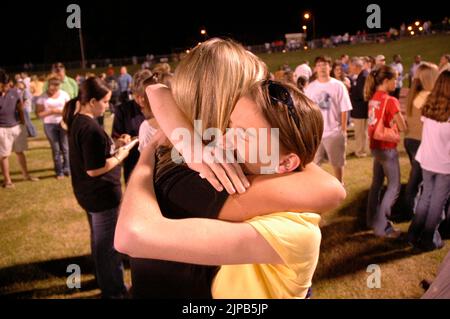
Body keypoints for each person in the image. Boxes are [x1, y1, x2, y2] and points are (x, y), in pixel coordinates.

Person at [115, 38, 345, 299]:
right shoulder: (213, 176)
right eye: (233, 125)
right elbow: (330, 189)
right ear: (226, 99)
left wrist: (159, 152)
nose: (224, 137)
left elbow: (157, 91)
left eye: (240, 131)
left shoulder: (181, 152)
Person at [63, 77, 130, 298]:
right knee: (107, 247)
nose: (107, 106)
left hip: (89, 195)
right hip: (101, 197)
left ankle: (106, 282)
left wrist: (115, 145)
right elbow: (94, 169)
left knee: (99, 243)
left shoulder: (78, 121)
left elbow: (92, 155)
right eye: (105, 101)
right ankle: (114, 291)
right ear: (92, 101)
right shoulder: (89, 127)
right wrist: (121, 155)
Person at [407, 70, 450, 251]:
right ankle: (428, 238)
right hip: (443, 164)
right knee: (437, 202)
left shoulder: (429, 105)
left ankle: (414, 233)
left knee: (426, 197)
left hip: (427, 159)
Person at [364, 65, 407, 238]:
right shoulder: (391, 100)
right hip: (387, 147)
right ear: (386, 81)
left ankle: (371, 219)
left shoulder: (373, 97)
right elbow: (403, 126)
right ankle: (383, 227)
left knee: (376, 184)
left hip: (375, 146)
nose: (396, 82)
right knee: (394, 186)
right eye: (395, 79)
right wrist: (397, 125)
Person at [305, 56, 353, 184]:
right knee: (314, 164)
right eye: (319, 65)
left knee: (337, 163)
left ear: (330, 67)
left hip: (334, 132)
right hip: (317, 133)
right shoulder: (310, 88)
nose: (322, 68)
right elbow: (307, 111)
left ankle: (340, 184)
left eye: (325, 65)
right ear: (315, 69)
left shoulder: (338, 86)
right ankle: (317, 187)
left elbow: (344, 108)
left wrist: (343, 129)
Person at [403, 62, 439, 216]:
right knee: (421, 180)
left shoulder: (414, 94)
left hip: (410, 140)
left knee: (417, 178)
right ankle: (411, 210)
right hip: (421, 143)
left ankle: (410, 208)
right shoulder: (428, 97)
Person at [112, 69, 155, 183]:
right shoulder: (123, 110)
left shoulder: (160, 108)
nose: (141, 100)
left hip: (157, 166)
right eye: (137, 96)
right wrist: (122, 139)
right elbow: (116, 139)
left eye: (144, 95)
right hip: (133, 165)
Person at [0, 69, 39, 188]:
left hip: (17, 127)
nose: (4, 88)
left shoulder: (14, 92)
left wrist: (23, 123)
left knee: (20, 152)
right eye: (2, 86)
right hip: (2, 128)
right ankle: (7, 181)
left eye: (6, 85)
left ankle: (26, 175)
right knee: (4, 155)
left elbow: (20, 108)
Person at [36, 75, 71, 179]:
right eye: (53, 85)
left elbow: (69, 110)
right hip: (49, 125)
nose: (55, 87)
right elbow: (39, 114)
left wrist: (58, 111)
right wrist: (50, 111)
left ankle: (67, 169)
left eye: (58, 85)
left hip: (63, 123)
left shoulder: (64, 95)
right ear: (48, 84)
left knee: (65, 148)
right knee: (56, 149)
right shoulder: (42, 97)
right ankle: (59, 171)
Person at [349, 57, 369, 157]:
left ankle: (360, 151)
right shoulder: (362, 75)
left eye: (350, 66)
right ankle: (360, 149)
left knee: (360, 132)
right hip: (361, 109)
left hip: (361, 109)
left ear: (355, 66)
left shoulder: (363, 76)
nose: (350, 68)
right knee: (361, 132)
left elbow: (361, 94)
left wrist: (351, 89)